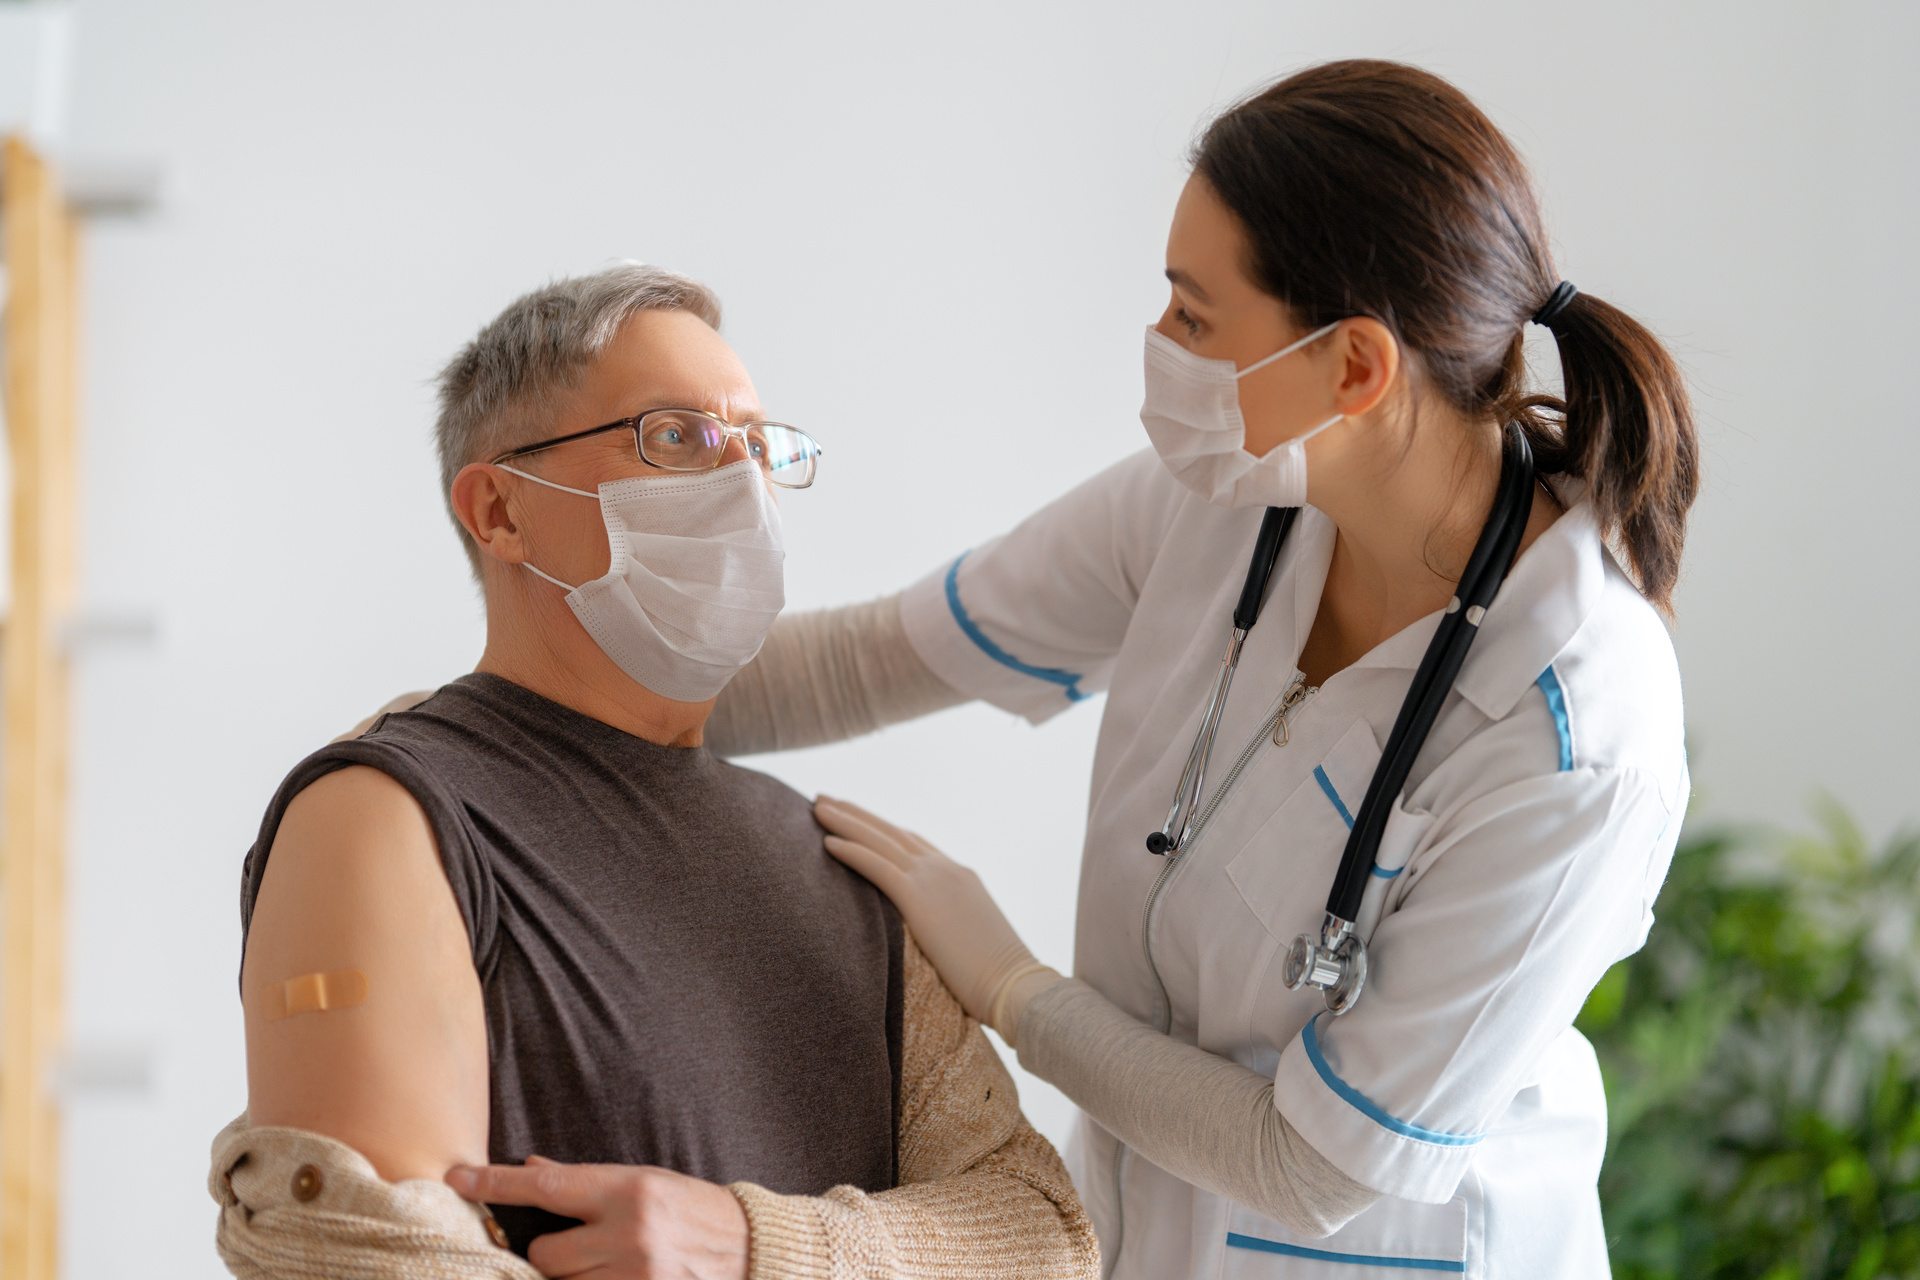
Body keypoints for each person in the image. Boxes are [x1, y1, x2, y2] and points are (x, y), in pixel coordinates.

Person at [708, 61, 1697, 1279]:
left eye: (1193, 313)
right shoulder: (1228, 502)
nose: (1158, 345)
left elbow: (1316, 1164)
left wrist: (1014, 988)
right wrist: (530, 714)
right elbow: (875, 659)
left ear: (1355, 369)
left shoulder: (1578, 732)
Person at [213, 264, 1099, 1280]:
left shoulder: (843, 870)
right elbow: (373, 1255)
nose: (738, 484)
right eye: (675, 437)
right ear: (500, 509)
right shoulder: (391, 817)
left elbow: (1041, 1237)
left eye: (756, 446)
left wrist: (755, 1244)